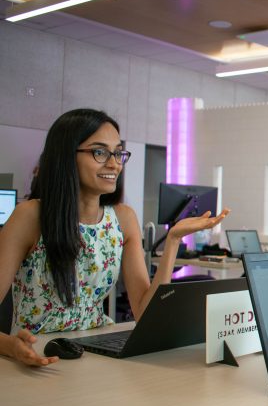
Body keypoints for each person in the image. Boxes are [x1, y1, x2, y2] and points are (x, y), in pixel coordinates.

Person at [0, 109, 229, 368]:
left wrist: (173, 240)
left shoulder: (122, 218)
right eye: (99, 152)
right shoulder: (30, 216)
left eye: (118, 152)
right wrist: (9, 345)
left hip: (96, 354)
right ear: (65, 156)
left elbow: (144, 314)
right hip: (37, 357)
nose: (114, 163)